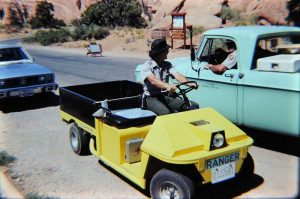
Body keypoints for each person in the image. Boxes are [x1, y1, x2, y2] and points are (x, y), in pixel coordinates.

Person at [140, 39, 198, 115]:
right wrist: (167, 86)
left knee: (193, 105)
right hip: (151, 98)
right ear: (161, 52)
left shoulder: (167, 64)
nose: (168, 51)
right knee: (165, 113)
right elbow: (153, 80)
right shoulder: (147, 65)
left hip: (165, 96)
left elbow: (177, 75)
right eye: (166, 50)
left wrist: (189, 84)